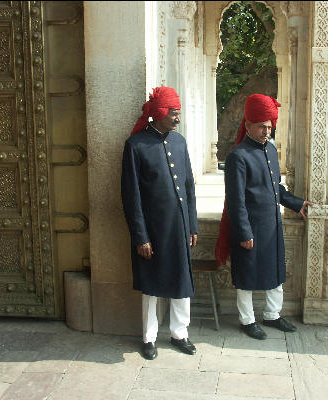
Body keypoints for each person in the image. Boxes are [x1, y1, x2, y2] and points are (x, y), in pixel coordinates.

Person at [215, 94, 312, 340]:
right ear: (247, 125)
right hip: (250, 228)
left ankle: (272, 315)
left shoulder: (270, 149)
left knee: (275, 273)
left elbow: (275, 188)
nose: (266, 131)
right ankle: (247, 320)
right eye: (261, 126)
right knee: (246, 277)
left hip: (271, 226)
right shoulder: (238, 156)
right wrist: (244, 233)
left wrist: (297, 204)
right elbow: (235, 201)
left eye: (269, 126)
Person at [121, 86, 199, 360]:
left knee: (181, 283)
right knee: (151, 287)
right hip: (152, 232)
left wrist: (192, 225)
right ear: (160, 113)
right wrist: (140, 237)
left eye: (178, 113)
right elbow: (132, 197)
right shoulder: (136, 145)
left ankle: (180, 333)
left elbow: (188, 186)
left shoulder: (180, 142)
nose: (178, 119)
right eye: (174, 113)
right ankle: (149, 338)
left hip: (178, 229)